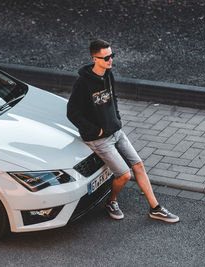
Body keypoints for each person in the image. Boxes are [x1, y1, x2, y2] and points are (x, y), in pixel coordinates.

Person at [66, 39, 179, 223]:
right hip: (99, 139)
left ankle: (155, 208)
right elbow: (72, 112)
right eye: (106, 58)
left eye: (112, 55)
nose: (110, 60)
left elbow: (113, 99)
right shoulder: (83, 83)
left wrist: (116, 119)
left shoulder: (108, 75)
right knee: (124, 175)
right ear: (95, 59)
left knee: (138, 165)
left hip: (116, 131)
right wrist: (97, 131)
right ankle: (111, 201)